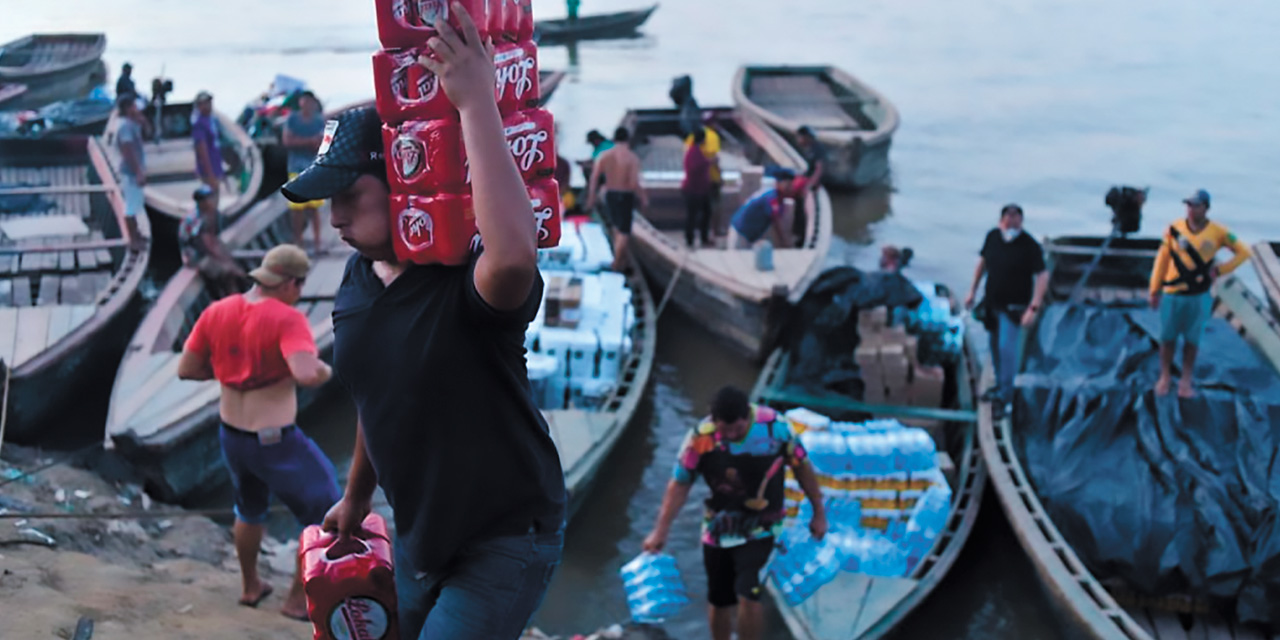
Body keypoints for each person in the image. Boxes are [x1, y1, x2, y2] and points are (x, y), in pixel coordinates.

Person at [281, 6, 565, 638]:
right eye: (328, 204)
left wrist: (475, 105)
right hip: (419, 536)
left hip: (506, 536)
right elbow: (377, 395)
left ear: (405, 177)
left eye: (349, 197)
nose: (334, 220)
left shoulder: (465, 283)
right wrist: (357, 497)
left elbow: (516, 255)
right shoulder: (359, 281)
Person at [177, 243, 340, 622]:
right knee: (326, 508)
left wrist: (230, 374)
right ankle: (297, 601)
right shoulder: (287, 319)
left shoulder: (217, 310)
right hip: (274, 440)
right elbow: (306, 373)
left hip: (232, 436)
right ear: (289, 283)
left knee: (249, 510)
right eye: (300, 285)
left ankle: (251, 586)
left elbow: (187, 368)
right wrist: (326, 371)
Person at [643, 386, 826, 640]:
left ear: (747, 417)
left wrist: (819, 512)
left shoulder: (776, 428)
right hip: (718, 528)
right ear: (714, 420)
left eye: (737, 430)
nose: (730, 436)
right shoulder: (701, 438)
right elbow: (680, 483)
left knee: (748, 594)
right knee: (719, 599)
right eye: (724, 431)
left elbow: (802, 467)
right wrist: (660, 530)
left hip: (763, 527)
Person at [1149, 189, 1250, 398]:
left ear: (1205, 207)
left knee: (1192, 340)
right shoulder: (1173, 228)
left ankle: (1186, 380)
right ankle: (1165, 376)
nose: (1191, 209)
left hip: (1199, 295)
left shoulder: (1218, 232)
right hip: (1173, 292)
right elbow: (1162, 260)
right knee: (1167, 337)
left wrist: (1221, 270)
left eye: (1195, 205)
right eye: (1188, 205)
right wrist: (1154, 289)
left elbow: (1244, 252)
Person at [963, 203, 1048, 417]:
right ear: (1001, 220)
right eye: (1007, 217)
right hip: (992, 302)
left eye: (1015, 217)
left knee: (1006, 349)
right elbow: (982, 264)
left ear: (1021, 220)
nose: (1011, 221)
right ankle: (1000, 385)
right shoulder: (992, 237)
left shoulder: (1029, 245)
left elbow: (1042, 275)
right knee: (994, 346)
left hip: (1014, 306)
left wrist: (1034, 306)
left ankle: (1007, 397)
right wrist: (972, 291)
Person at [586, 126, 648, 271]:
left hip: (610, 194)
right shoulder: (632, 158)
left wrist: (591, 196)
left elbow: (594, 178)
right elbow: (633, 183)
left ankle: (620, 259)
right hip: (625, 195)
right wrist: (643, 197)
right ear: (628, 139)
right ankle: (617, 263)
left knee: (615, 227)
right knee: (624, 231)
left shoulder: (605, 155)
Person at [179, 185, 248, 299]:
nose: (212, 200)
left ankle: (236, 296)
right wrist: (229, 263)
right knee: (227, 271)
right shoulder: (198, 219)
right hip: (196, 256)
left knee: (233, 263)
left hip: (208, 249)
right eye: (208, 198)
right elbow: (206, 244)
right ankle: (231, 299)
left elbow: (214, 239)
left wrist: (227, 258)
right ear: (201, 202)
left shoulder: (214, 213)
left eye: (212, 197)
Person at [282, 91, 327, 251]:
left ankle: (317, 243)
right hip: (296, 168)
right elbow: (287, 141)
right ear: (301, 102)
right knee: (296, 209)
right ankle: (298, 242)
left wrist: (308, 142)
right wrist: (309, 141)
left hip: (314, 167)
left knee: (314, 208)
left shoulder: (318, 120)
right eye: (305, 101)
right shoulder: (293, 119)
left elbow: (324, 141)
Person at [726, 170, 805, 250]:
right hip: (741, 232)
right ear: (778, 184)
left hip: (749, 236)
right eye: (787, 184)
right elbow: (776, 223)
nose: (789, 188)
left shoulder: (778, 198)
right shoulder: (772, 197)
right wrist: (785, 244)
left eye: (790, 185)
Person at [115, 96, 147, 251]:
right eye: (134, 106)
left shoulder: (133, 124)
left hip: (135, 170)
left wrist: (142, 119)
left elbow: (149, 131)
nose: (137, 108)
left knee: (135, 205)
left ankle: (137, 233)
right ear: (128, 108)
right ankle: (132, 239)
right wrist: (138, 172)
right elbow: (127, 150)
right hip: (130, 172)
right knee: (130, 207)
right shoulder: (125, 127)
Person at [792, 125, 825, 247]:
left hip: (810, 185)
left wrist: (810, 186)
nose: (798, 140)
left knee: (801, 211)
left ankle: (801, 235)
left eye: (799, 137)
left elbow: (819, 169)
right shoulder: (808, 148)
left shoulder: (817, 149)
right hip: (805, 181)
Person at [192, 90, 225, 204]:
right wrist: (210, 173)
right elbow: (202, 149)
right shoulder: (199, 124)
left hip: (215, 166)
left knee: (216, 198)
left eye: (209, 102)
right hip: (208, 170)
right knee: (211, 201)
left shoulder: (211, 120)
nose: (208, 105)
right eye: (205, 103)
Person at [682, 127, 713, 247]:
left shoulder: (695, 151)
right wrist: (709, 162)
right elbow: (695, 168)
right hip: (694, 190)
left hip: (699, 190)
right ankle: (691, 239)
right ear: (703, 140)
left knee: (704, 213)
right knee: (693, 216)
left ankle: (702, 238)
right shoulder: (694, 152)